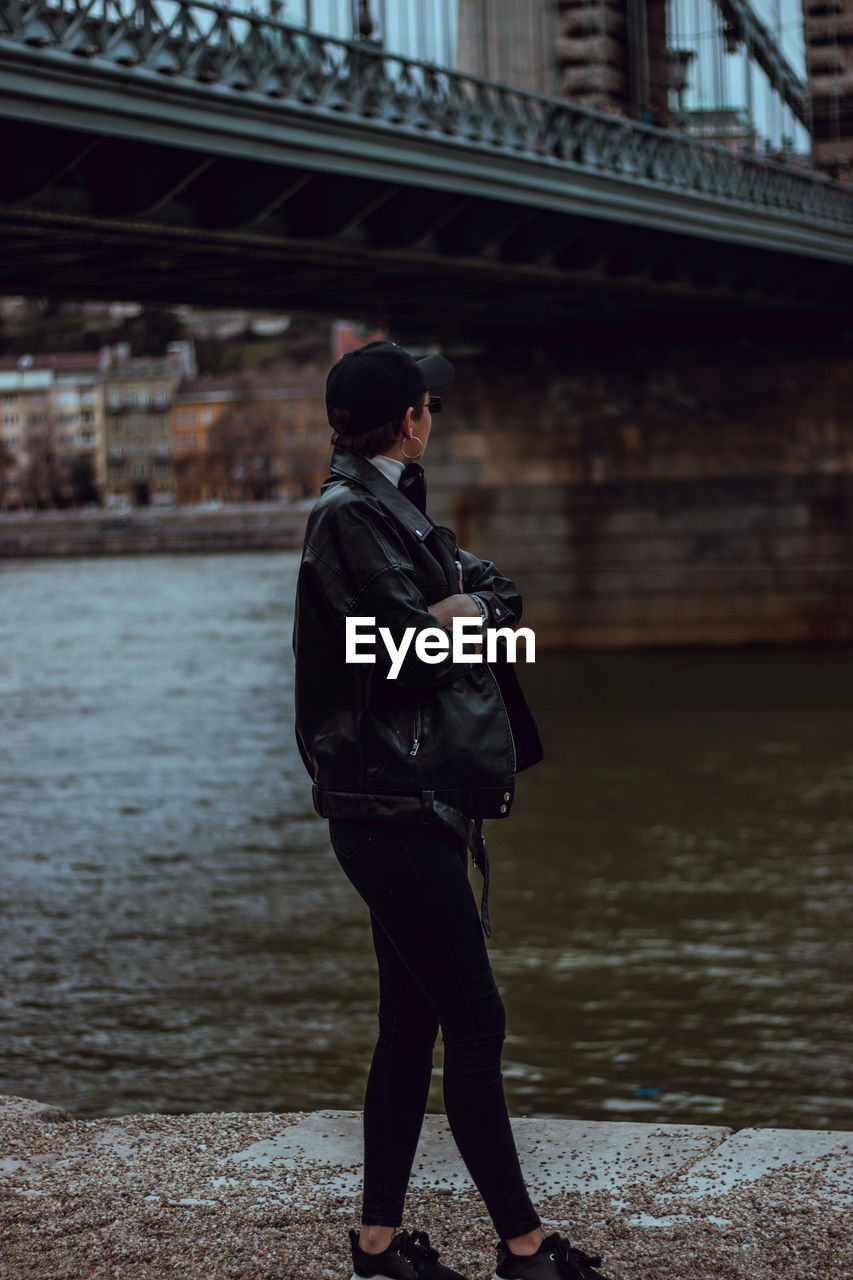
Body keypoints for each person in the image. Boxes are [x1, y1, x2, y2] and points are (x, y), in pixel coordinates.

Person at [293, 341, 610, 1280]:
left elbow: (494, 598)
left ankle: (378, 1244)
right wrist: (453, 620)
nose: (433, 412)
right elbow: (394, 660)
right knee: (474, 1021)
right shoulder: (351, 518)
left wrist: (459, 612)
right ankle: (523, 1248)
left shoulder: (392, 511)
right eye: (428, 402)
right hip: (387, 803)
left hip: (410, 798)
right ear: (412, 418)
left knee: (413, 1023)